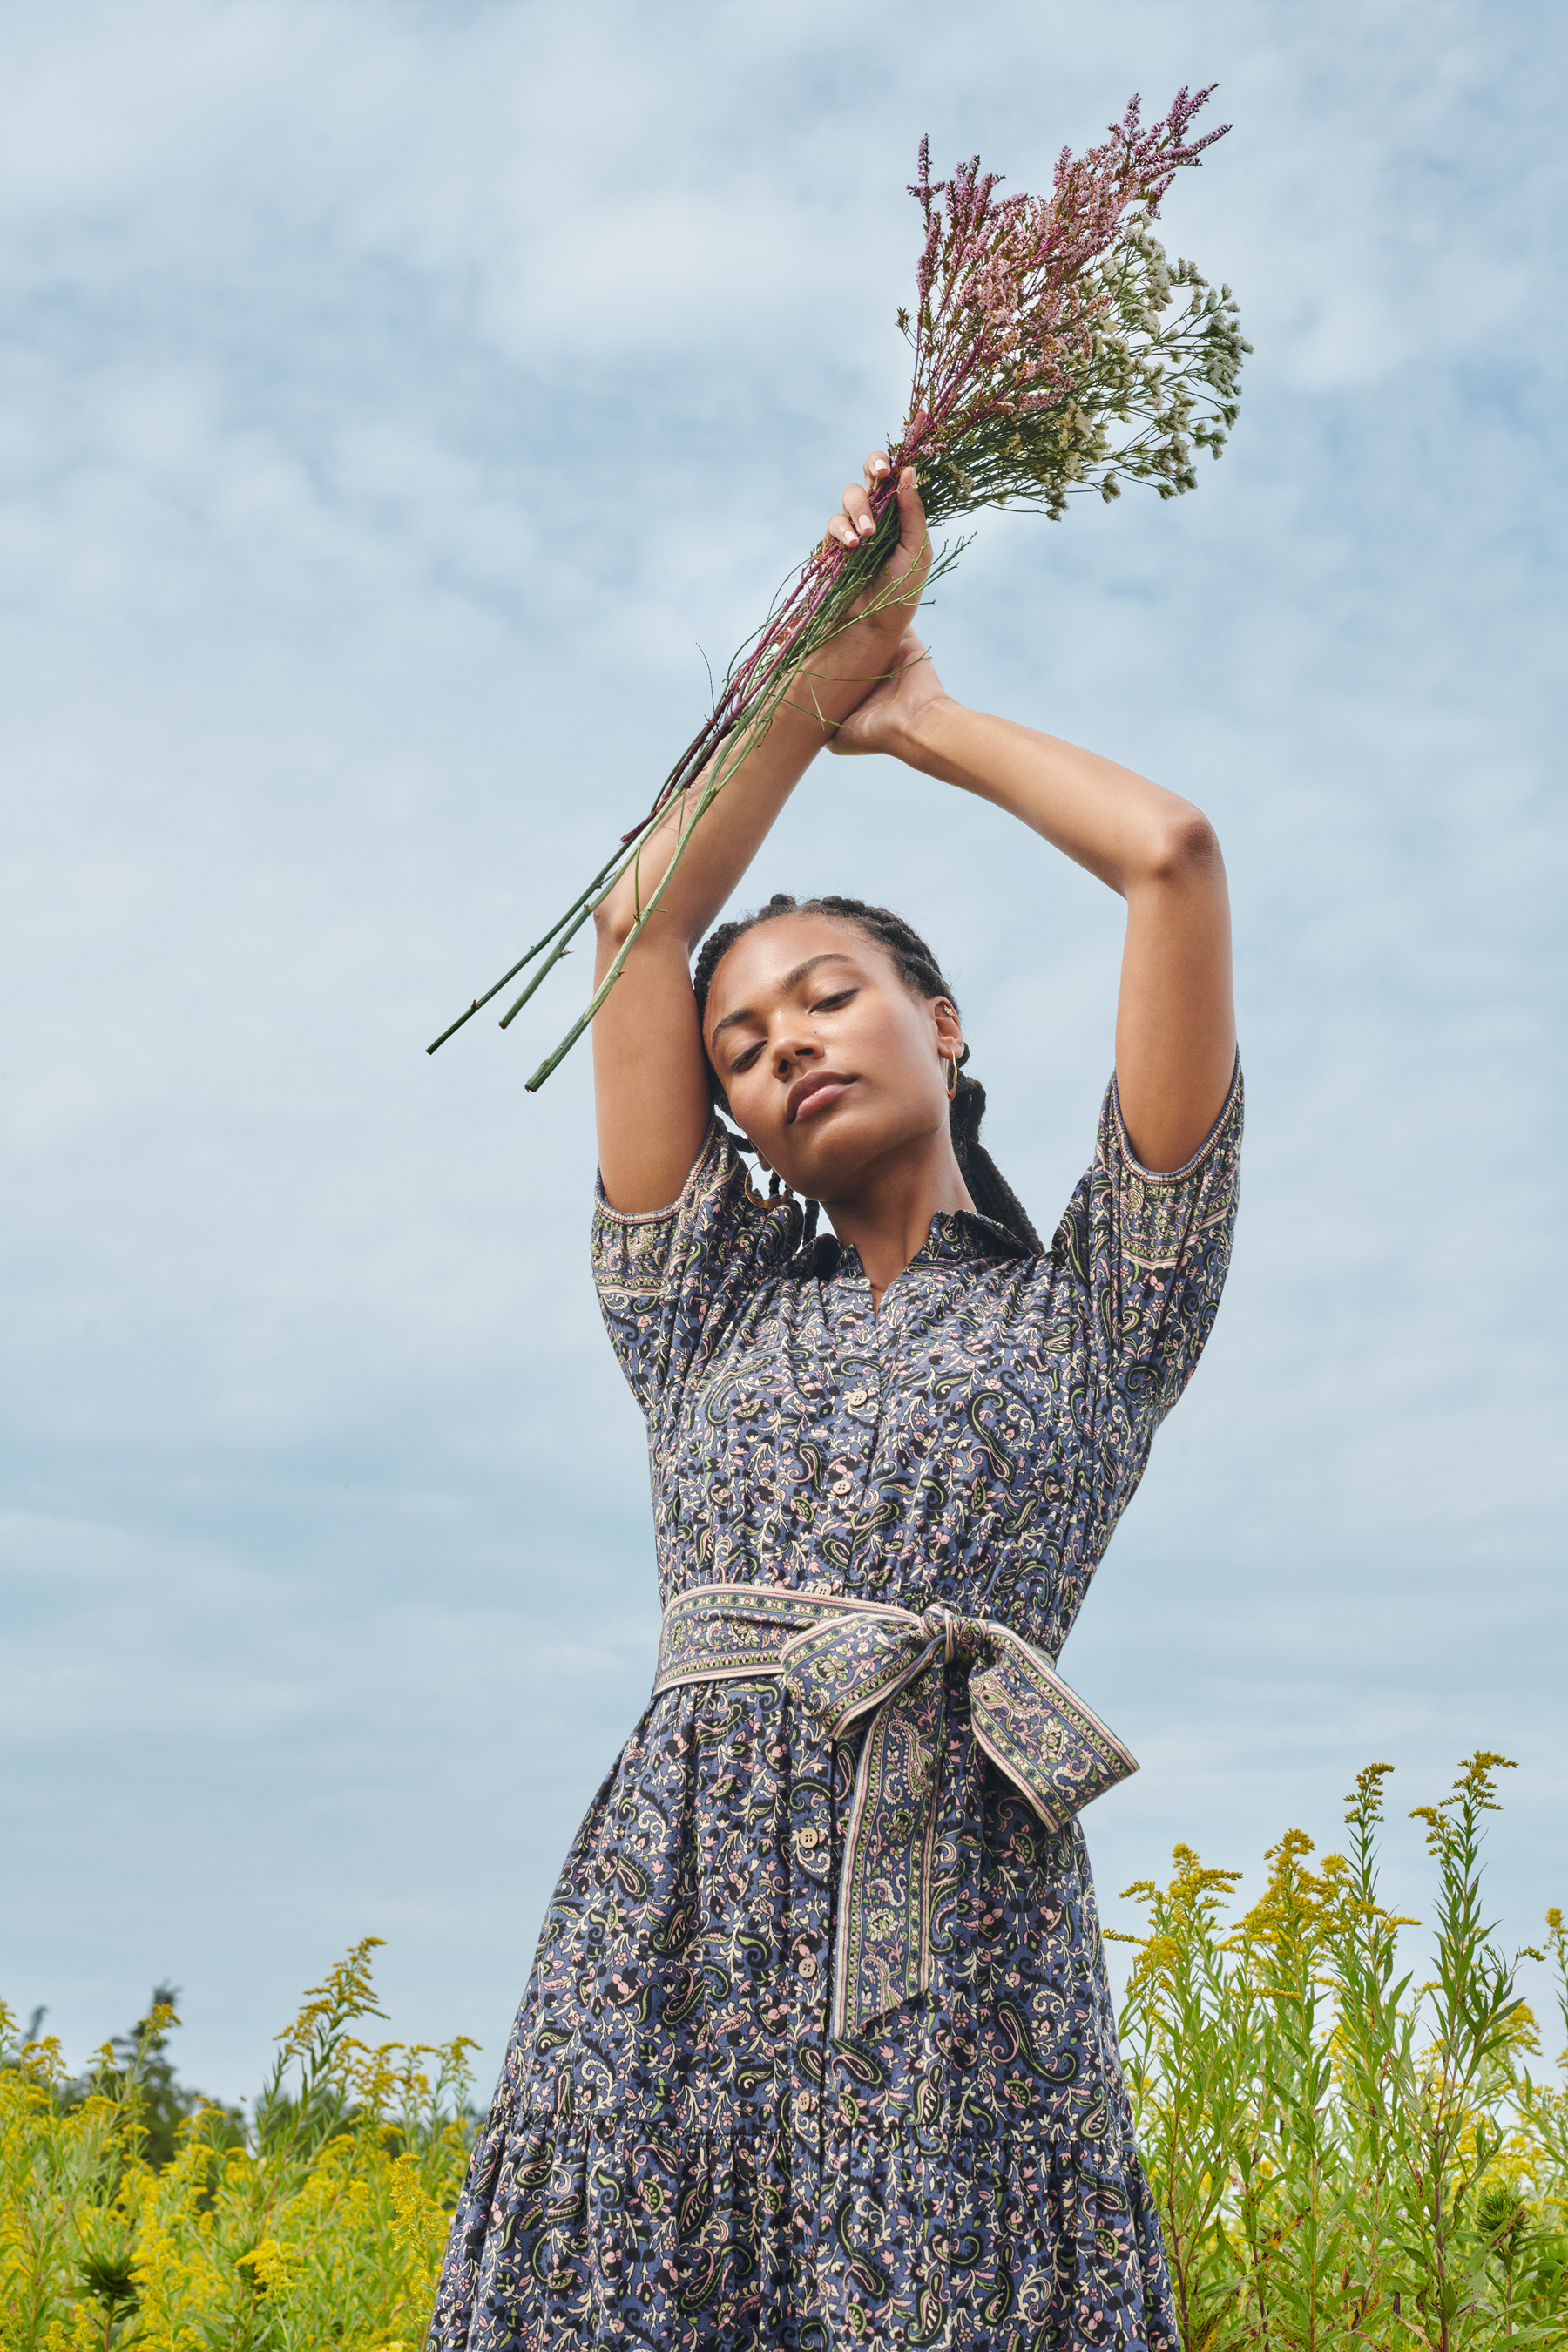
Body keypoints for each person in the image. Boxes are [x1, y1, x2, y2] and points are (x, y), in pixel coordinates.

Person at [432, 451, 1240, 2351]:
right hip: (669, 1934)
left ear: (941, 1024)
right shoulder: (693, 1308)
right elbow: (643, 920)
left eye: (823, 995)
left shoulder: (1110, 1305)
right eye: (741, 1045)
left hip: (956, 1946)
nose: (780, 1041)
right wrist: (814, 661)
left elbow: (1172, 857)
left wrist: (921, 715)